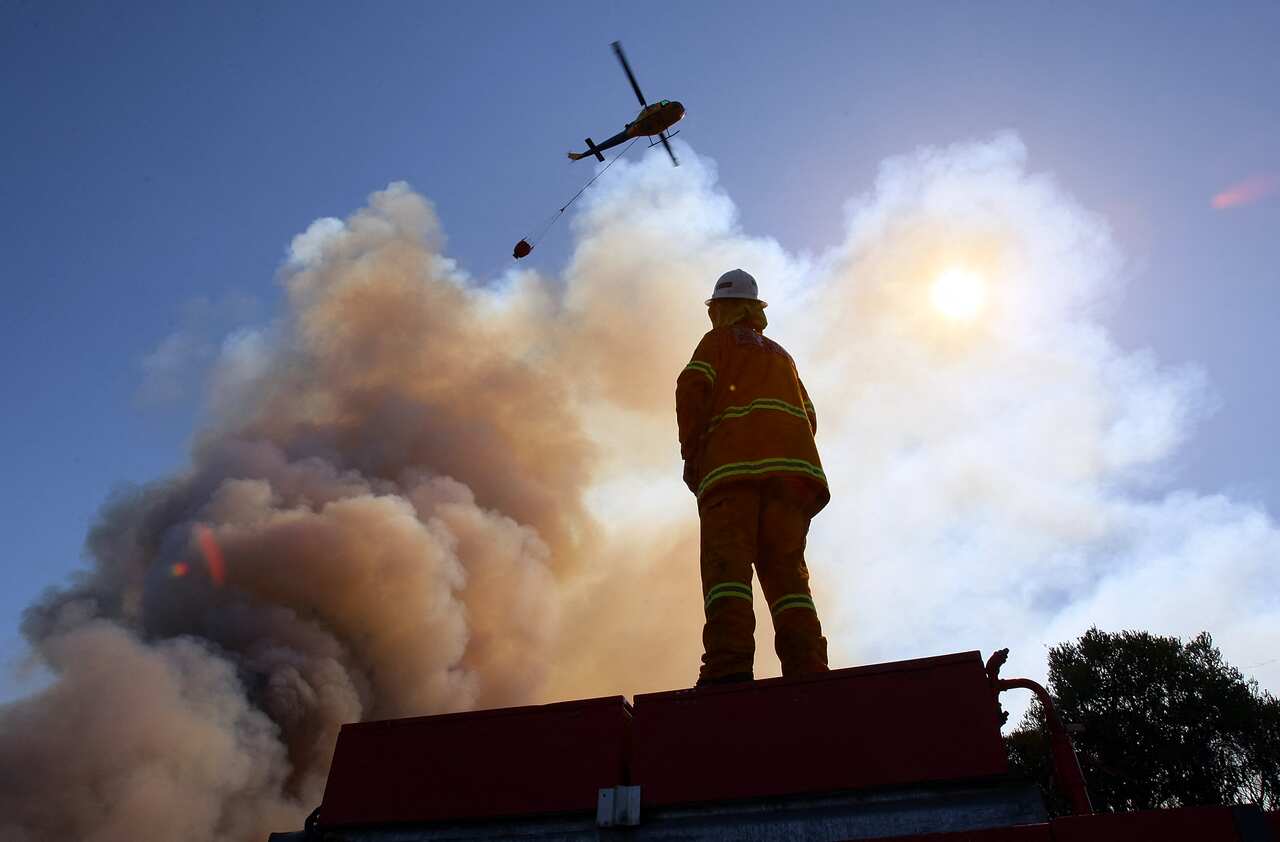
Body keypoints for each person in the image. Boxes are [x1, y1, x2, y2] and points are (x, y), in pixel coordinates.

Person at [676, 269, 831, 687]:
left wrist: (693, 454)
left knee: (727, 576)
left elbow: (691, 389)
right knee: (789, 581)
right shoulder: (781, 355)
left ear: (723, 309)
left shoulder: (717, 344)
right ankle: (809, 670)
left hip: (732, 476)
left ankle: (729, 670)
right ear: (755, 310)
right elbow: (808, 414)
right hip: (792, 483)